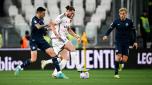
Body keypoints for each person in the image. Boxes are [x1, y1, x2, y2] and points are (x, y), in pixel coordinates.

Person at [14, 7, 67, 79]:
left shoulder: (42, 20)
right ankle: (19, 67)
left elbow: (43, 30)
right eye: (43, 13)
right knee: (33, 59)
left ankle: (59, 73)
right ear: (39, 12)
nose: (44, 14)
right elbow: (38, 27)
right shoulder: (34, 19)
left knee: (53, 54)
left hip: (41, 40)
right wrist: (47, 24)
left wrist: (50, 28)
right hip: (34, 41)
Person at [41, 5, 81, 78]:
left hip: (60, 38)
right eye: (71, 13)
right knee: (72, 48)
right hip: (58, 38)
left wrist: (76, 36)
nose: (73, 15)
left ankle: (55, 73)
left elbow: (68, 30)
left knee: (65, 58)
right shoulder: (61, 16)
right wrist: (56, 34)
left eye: (74, 14)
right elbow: (52, 24)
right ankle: (79, 68)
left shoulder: (69, 19)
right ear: (68, 11)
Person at [102, 8, 138, 79]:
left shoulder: (130, 22)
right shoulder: (116, 21)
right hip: (118, 42)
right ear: (119, 14)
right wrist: (106, 35)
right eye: (121, 14)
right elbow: (110, 29)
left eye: (124, 14)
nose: (122, 15)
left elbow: (133, 32)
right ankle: (116, 73)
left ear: (126, 14)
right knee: (118, 56)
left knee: (125, 59)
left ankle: (121, 64)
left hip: (126, 42)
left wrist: (135, 42)